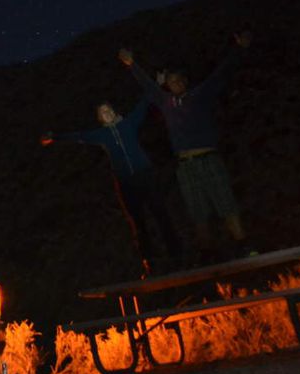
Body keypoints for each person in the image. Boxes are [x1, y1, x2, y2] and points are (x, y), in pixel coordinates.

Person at [118, 31, 254, 262]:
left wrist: (240, 49)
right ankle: (208, 254)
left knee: (225, 203)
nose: (175, 83)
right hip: (185, 165)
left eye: (179, 80)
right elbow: (149, 86)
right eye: (171, 81)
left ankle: (245, 246)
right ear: (168, 86)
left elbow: (220, 74)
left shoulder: (199, 95)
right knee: (197, 211)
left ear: (185, 82)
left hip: (208, 158)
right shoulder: (165, 102)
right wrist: (132, 65)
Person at [42, 98, 183, 274]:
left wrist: (157, 84)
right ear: (100, 119)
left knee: (161, 214)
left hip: (145, 175)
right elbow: (79, 136)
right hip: (126, 182)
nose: (106, 113)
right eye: (102, 113)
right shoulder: (100, 134)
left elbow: (143, 104)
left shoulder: (129, 123)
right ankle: (150, 262)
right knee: (138, 222)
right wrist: (54, 137)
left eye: (108, 110)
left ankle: (178, 255)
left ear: (114, 112)